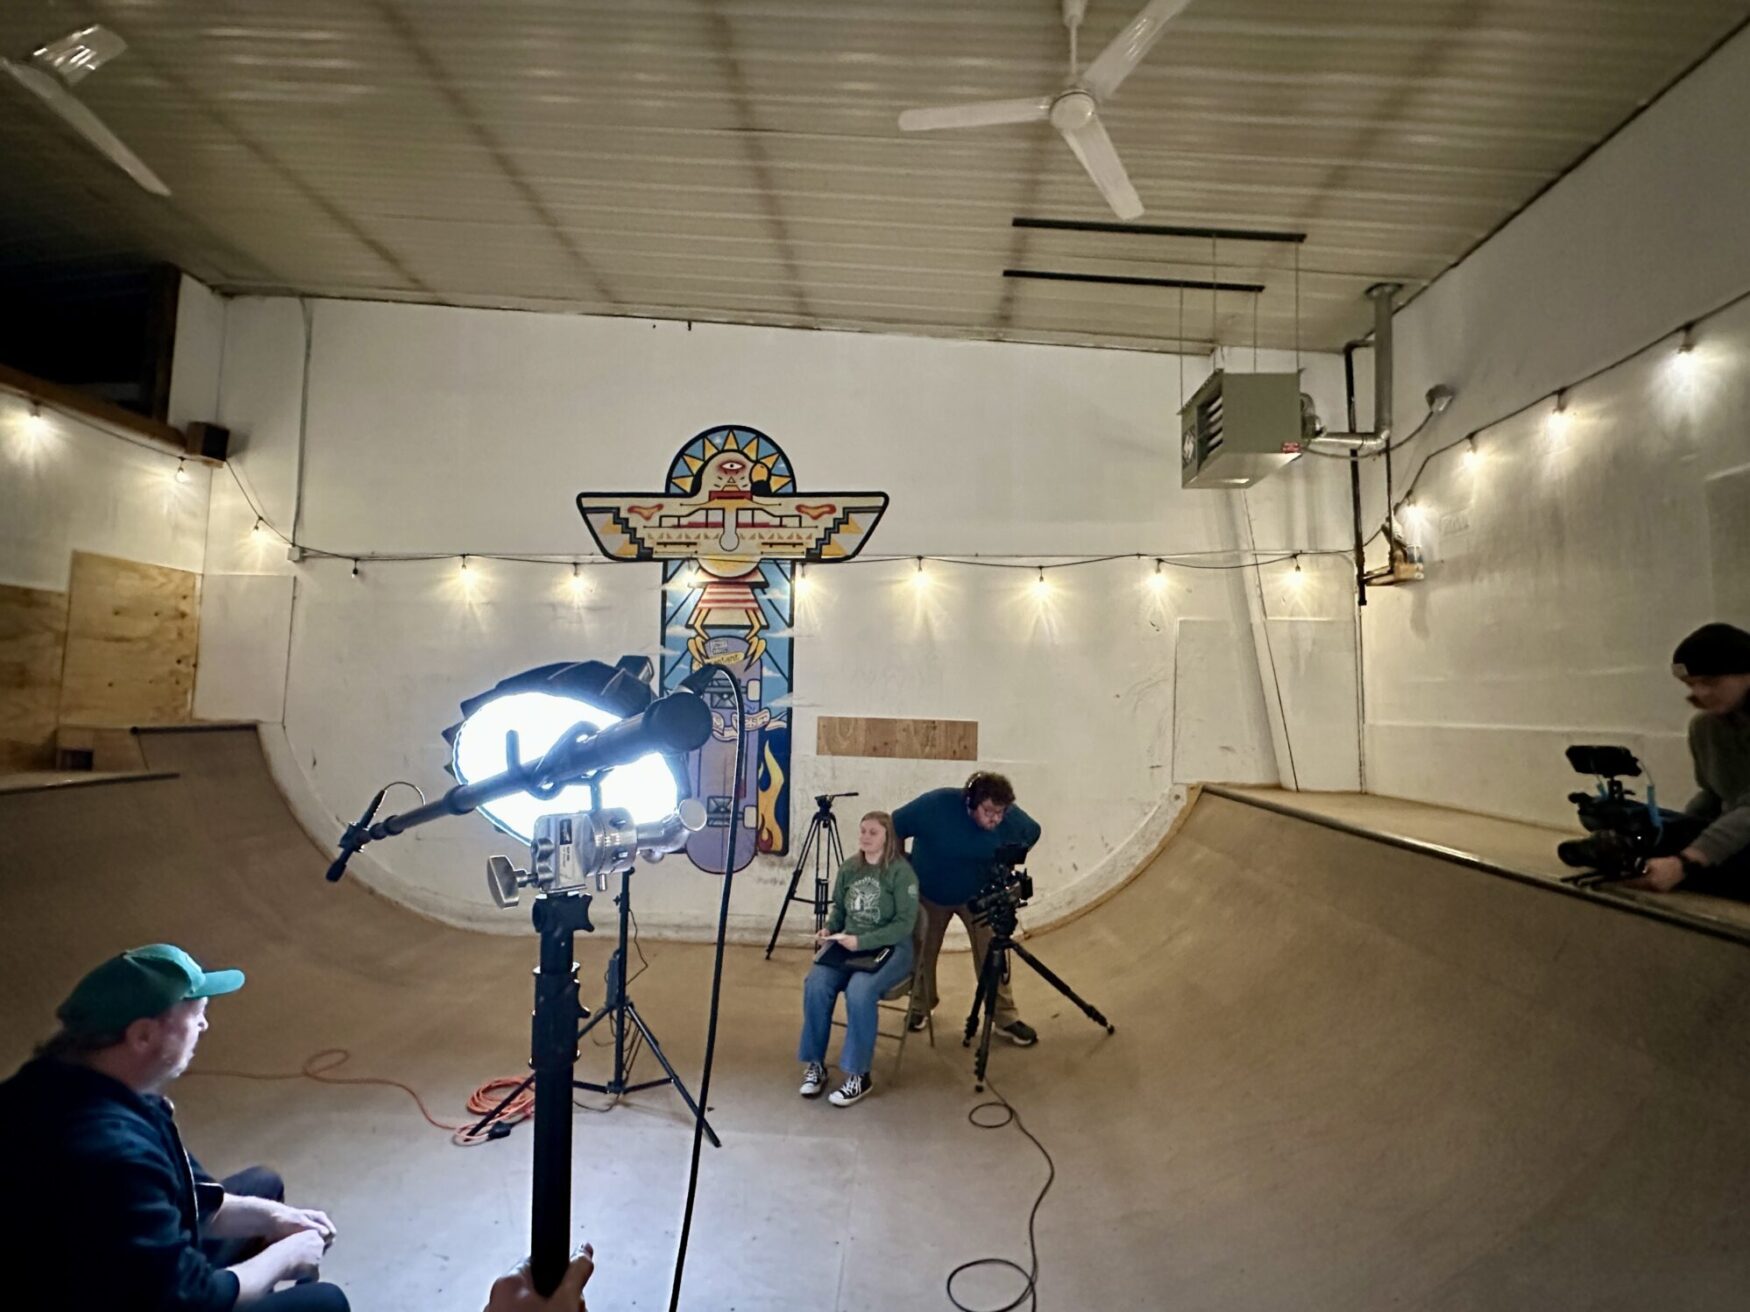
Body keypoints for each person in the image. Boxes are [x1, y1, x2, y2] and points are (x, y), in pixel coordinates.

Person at [0, 944, 347, 1310]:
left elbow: (193, 1198)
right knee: (324, 1301)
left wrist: (277, 1218)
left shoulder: (59, 1082)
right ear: (143, 1036)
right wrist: (289, 1256)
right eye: (195, 1013)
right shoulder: (112, 1153)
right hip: (89, 1293)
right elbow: (195, 1299)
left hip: (89, 1264)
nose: (203, 1024)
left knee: (264, 1187)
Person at [893, 772, 1042, 1046]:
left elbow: (1032, 832)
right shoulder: (935, 805)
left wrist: (1008, 860)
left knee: (993, 953)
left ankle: (1004, 1016)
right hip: (931, 891)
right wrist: (904, 866)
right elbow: (895, 824)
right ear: (971, 802)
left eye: (1001, 812)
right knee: (921, 950)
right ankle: (920, 1005)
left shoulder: (1006, 814)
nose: (996, 819)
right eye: (989, 812)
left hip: (980, 894)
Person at [796, 810, 920, 1107]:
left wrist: (862, 941)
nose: (865, 837)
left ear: (888, 837)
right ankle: (815, 1063)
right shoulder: (850, 868)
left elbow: (904, 924)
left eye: (873, 832)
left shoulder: (902, 874)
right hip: (849, 943)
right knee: (815, 983)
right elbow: (840, 909)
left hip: (892, 947)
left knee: (860, 990)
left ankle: (858, 1074)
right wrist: (830, 928)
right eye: (862, 831)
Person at [1622, 622, 1750, 895]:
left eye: (1711, 682)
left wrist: (1686, 861)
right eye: (1692, 684)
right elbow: (1712, 796)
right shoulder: (1705, 728)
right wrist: (1669, 836)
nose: (1701, 693)